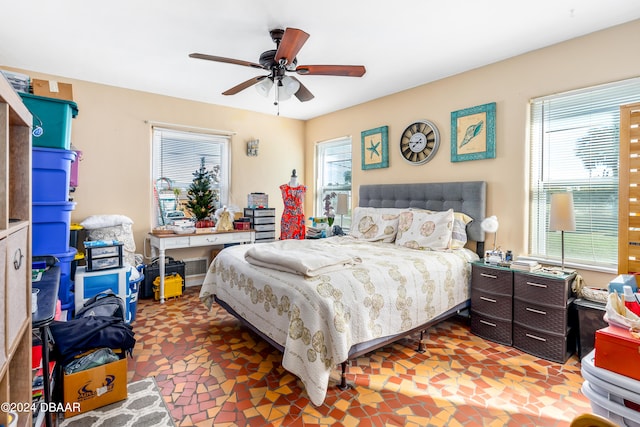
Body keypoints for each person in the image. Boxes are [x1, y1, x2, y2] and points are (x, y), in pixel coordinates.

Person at [280, 169, 306, 239]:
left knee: (300, 245)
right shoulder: (283, 188)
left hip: (299, 219)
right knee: (285, 245)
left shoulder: (303, 188)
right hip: (287, 219)